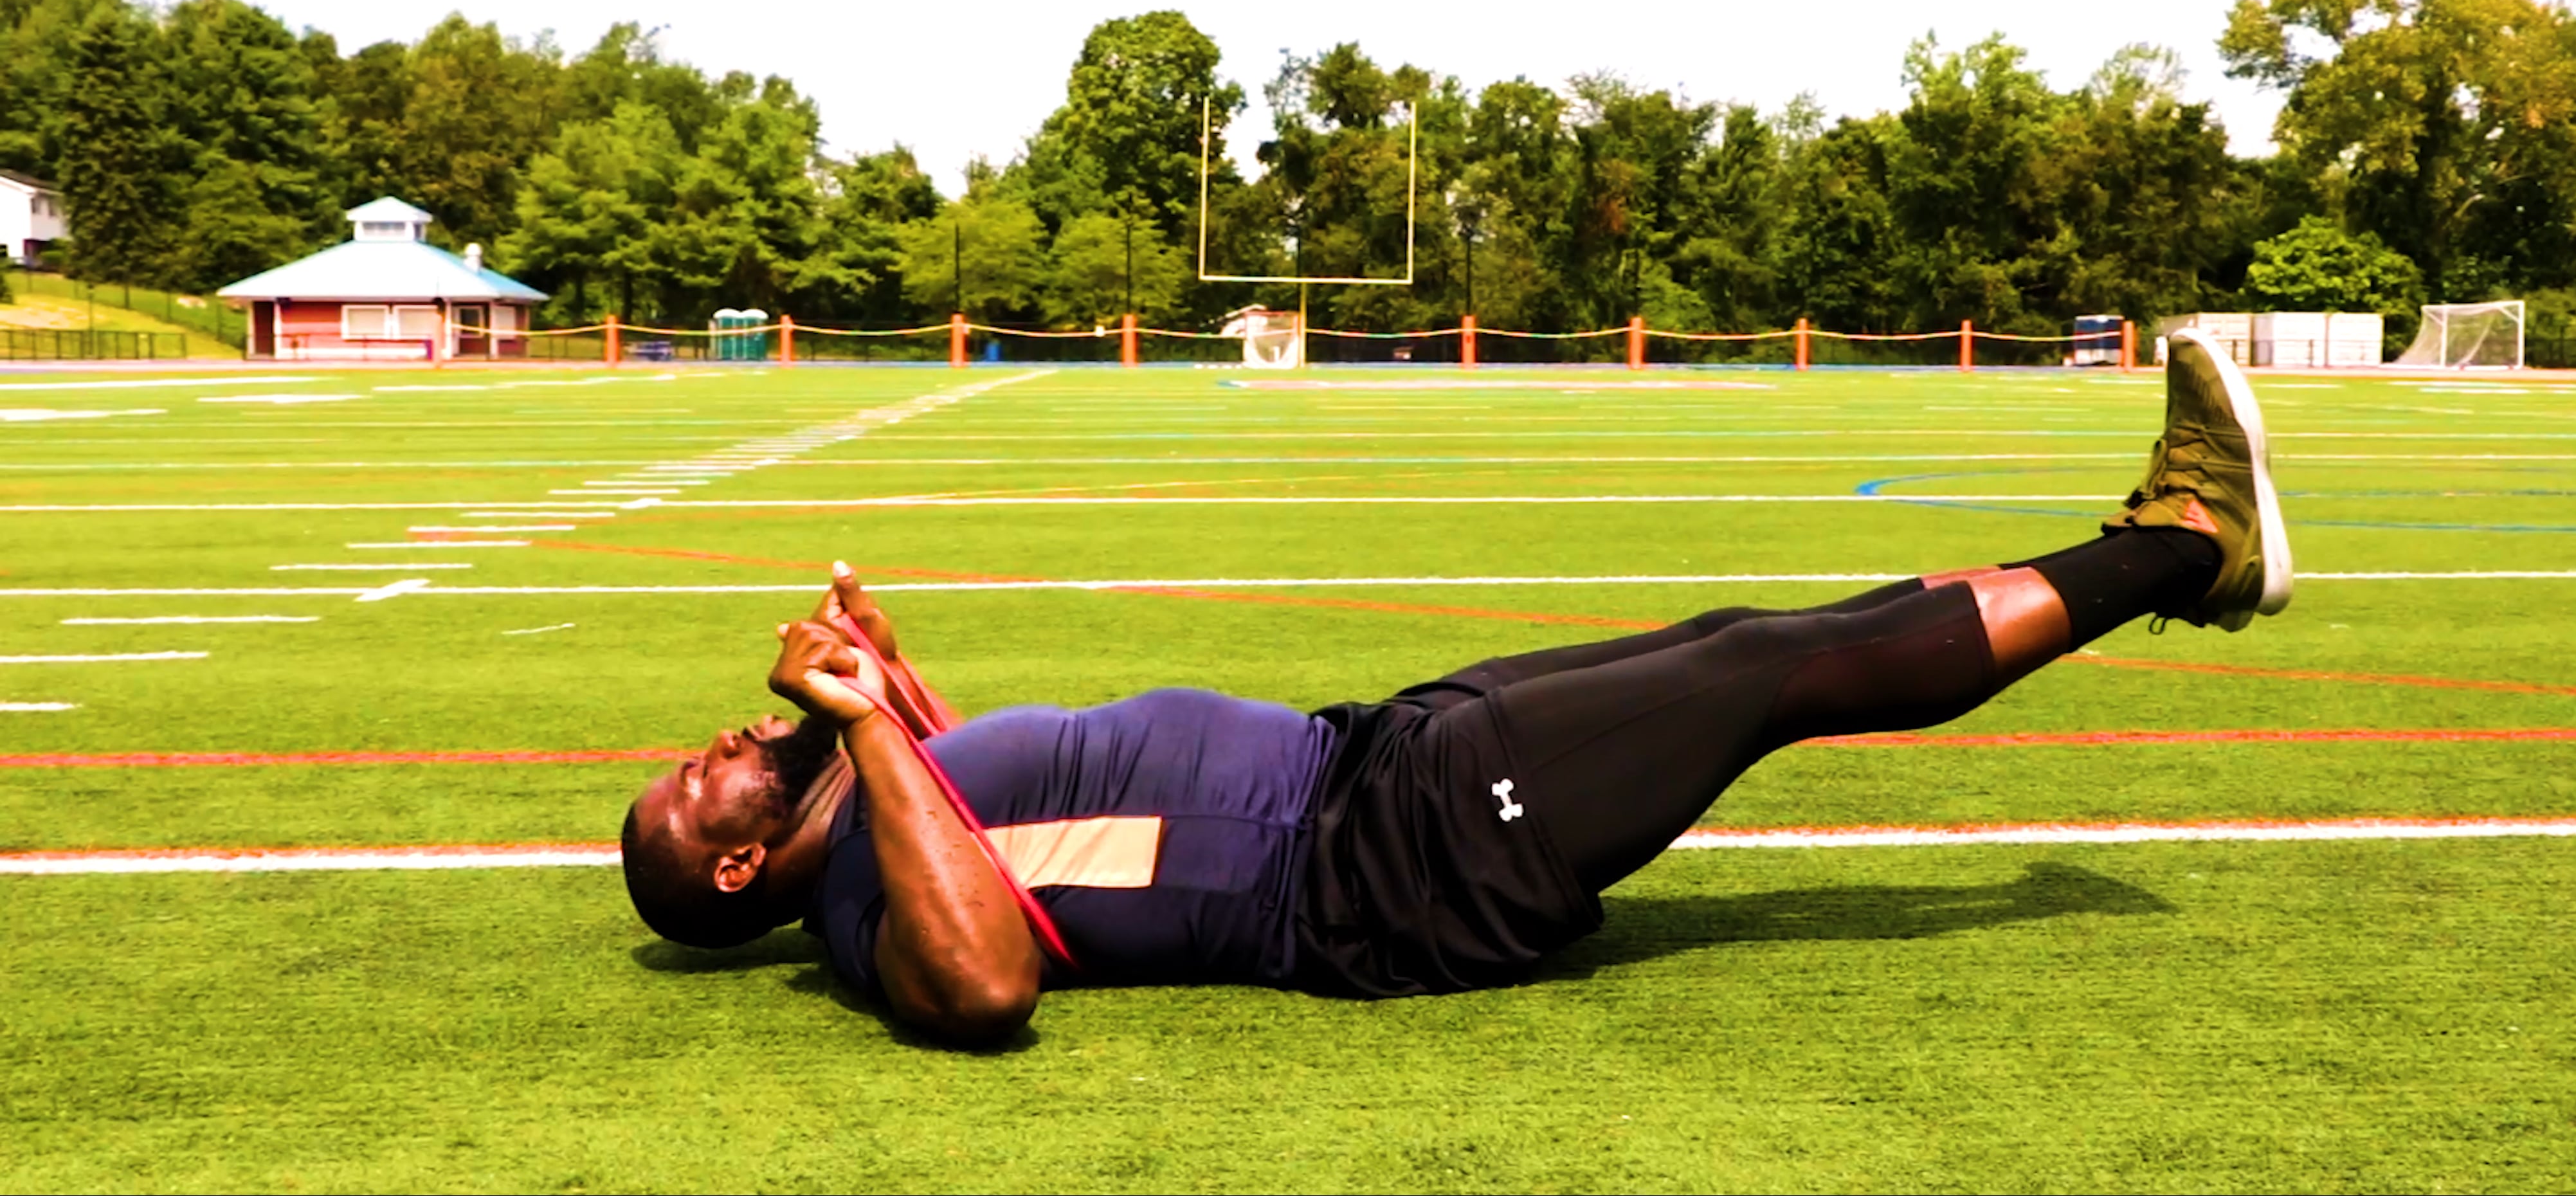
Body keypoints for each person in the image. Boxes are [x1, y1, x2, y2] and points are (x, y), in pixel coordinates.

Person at [621, 331, 2291, 1042]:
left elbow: (1010, 820)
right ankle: (2185, 542)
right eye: (698, 791)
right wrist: (858, 722)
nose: (714, 747)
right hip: (1398, 870)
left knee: (1745, 639)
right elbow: (984, 984)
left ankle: (2165, 553)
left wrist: (888, 684)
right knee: (1777, 673)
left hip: (1376, 763)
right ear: (743, 869)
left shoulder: (882, 817)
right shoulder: (862, 927)